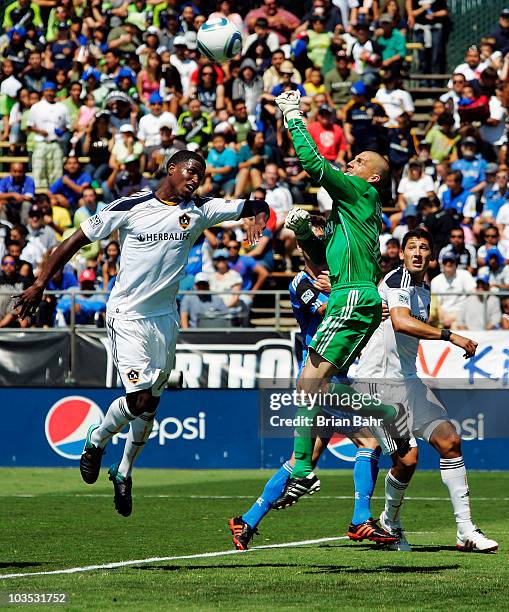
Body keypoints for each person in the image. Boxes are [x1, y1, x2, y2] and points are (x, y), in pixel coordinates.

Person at [15, 150, 269, 517]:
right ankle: (96, 440)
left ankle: (124, 471)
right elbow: (73, 241)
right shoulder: (130, 206)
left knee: (151, 404)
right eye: (191, 171)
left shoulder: (202, 209)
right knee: (138, 400)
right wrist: (40, 283)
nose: (196, 179)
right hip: (128, 314)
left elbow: (256, 204)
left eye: (201, 174)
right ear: (171, 169)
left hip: (164, 319)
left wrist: (257, 217)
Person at [228, 215, 395, 550]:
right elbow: (327, 311)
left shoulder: (338, 278)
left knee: (302, 458)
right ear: (303, 245)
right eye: (315, 239)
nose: (321, 244)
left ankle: (245, 521)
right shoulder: (302, 283)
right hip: (316, 378)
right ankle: (361, 519)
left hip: (334, 375)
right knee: (368, 443)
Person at [272, 89, 394, 505]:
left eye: (358, 162)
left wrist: (293, 116)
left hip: (350, 297)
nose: (350, 163)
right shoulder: (353, 208)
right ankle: (386, 416)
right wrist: (306, 233)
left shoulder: (361, 193)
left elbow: (313, 164)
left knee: (307, 386)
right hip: (357, 295)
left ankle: (303, 470)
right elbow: (328, 256)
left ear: (373, 176)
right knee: (319, 385)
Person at [356, 228, 497, 553]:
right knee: (407, 459)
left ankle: (465, 532)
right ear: (402, 253)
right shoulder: (397, 282)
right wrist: (452, 336)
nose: (417, 252)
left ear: (430, 256)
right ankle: (390, 522)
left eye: (423, 247)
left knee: (449, 441)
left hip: (408, 381)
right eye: (411, 247)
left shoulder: (424, 288)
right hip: (377, 383)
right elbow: (402, 323)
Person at [26, 82, 71, 189]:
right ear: (43, 92)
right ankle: (40, 194)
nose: (50, 93)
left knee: (56, 169)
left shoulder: (62, 107)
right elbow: (29, 126)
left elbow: (68, 125)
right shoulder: (36, 107)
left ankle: (54, 194)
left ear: (55, 92)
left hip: (56, 142)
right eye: (47, 91)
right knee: (39, 168)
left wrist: (62, 130)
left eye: (52, 90)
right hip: (41, 142)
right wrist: (40, 131)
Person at [430, 255, 476, 328]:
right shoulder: (436, 281)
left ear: (456, 265)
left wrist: (457, 317)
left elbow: (473, 295)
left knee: (456, 326)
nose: (448, 264)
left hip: (462, 313)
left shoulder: (464, 274)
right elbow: (437, 304)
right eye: (445, 262)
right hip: (443, 315)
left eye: (451, 262)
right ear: (442, 265)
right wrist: (444, 318)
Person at [0, 254, 30, 328]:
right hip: (2, 312)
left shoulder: (24, 281)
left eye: (12, 263)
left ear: (16, 266)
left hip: (18, 312)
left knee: (23, 319)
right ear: (2, 266)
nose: (8, 266)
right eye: (6, 263)